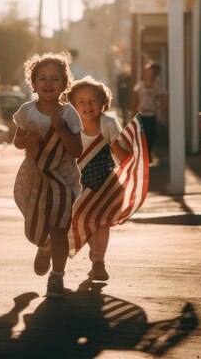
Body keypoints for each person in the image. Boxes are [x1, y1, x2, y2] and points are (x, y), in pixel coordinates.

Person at [12, 52, 83, 298]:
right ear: (33, 83)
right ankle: (44, 247)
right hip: (32, 178)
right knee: (34, 227)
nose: (48, 83)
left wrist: (60, 129)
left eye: (54, 78)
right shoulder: (27, 111)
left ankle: (57, 277)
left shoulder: (69, 114)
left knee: (59, 228)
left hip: (62, 179)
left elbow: (76, 150)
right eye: (42, 78)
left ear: (64, 84)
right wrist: (26, 141)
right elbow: (17, 141)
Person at [67, 77, 129, 281]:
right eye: (81, 101)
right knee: (84, 223)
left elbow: (124, 156)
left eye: (93, 100)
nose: (87, 105)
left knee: (101, 224)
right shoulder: (69, 126)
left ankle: (99, 262)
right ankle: (93, 255)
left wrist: (118, 147)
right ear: (72, 105)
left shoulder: (109, 123)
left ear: (104, 103)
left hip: (106, 184)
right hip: (77, 185)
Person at [133, 62, 167, 162]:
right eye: (147, 73)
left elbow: (163, 97)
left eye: (151, 74)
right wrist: (134, 113)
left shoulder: (157, 86)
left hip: (152, 115)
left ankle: (149, 152)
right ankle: (145, 155)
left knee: (152, 135)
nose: (149, 75)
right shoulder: (139, 86)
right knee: (143, 135)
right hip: (142, 115)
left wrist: (161, 109)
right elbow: (134, 99)